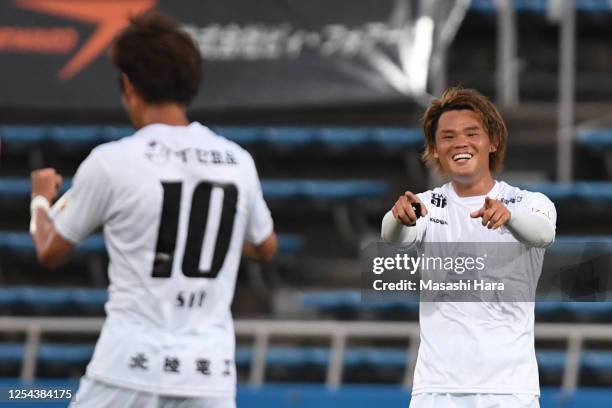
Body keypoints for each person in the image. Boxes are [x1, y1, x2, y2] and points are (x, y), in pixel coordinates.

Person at [29, 12, 277, 408]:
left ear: (128, 85)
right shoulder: (237, 161)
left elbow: (50, 250)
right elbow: (265, 247)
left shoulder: (112, 161)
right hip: (209, 373)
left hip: (128, 368)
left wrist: (41, 198)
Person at [381, 87, 556, 408]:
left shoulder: (530, 202)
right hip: (437, 390)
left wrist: (510, 218)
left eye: (471, 133)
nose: (460, 142)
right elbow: (393, 236)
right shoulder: (425, 204)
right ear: (435, 149)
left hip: (509, 390)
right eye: (447, 136)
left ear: (493, 142)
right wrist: (399, 218)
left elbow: (543, 234)